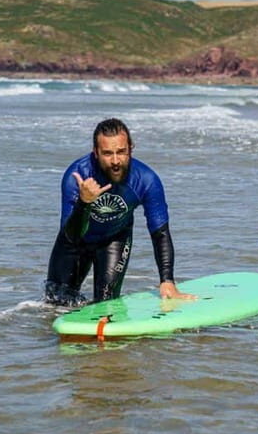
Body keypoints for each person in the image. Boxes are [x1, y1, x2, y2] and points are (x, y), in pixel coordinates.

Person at [44, 118, 195, 306]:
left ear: (131, 148)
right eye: (107, 153)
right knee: (56, 302)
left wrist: (167, 281)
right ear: (96, 153)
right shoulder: (77, 175)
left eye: (121, 152)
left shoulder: (146, 180)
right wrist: (84, 203)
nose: (115, 161)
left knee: (106, 305)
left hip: (114, 239)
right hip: (75, 240)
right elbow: (71, 236)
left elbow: (160, 233)